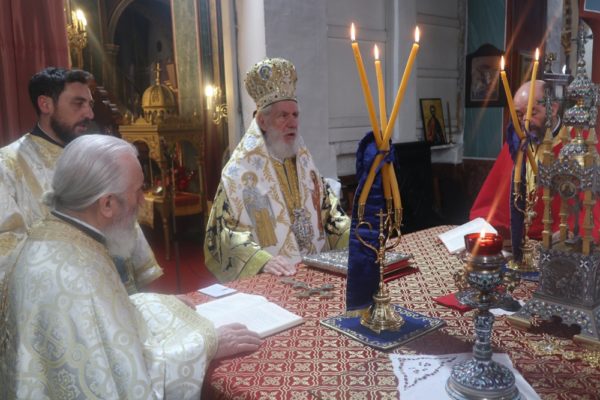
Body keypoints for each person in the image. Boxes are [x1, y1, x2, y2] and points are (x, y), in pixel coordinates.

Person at [0, 135, 262, 399]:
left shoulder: (61, 238)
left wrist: (161, 304)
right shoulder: (75, 275)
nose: (142, 201)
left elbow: (105, 319)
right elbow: (128, 383)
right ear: (107, 204)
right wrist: (206, 344)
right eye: (138, 191)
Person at [0, 67, 162, 292]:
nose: (90, 114)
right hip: (63, 297)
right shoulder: (7, 165)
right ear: (45, 104)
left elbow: (125, 218)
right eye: (78, 104)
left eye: (90, 104)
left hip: (120, 292)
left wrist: (153, 298)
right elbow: (7, 251)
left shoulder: (100, 154)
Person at [204, 57, 350, 282]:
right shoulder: (237, 173)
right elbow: (223, 233)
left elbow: (329, 212)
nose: (293, 123)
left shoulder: (304, 163)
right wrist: (260, 260)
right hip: (273, 278)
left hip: (318, 271)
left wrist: (353, 235)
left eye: (295, 115)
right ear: (262, 121)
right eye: (283, 115)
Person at [470, 79, 600, 242]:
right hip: (515, 241)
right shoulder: (516, 142)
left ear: (553, 109)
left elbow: (592, 206)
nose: (525, 121)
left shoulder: (583, 143)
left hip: (557, 243)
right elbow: (491, 204)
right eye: (519, 115)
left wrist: (570, 233)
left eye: (533, 113)